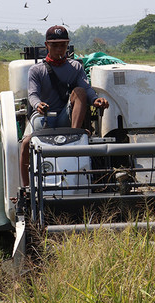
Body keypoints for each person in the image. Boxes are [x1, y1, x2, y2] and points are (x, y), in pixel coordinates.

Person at [19, 25, 108, 185]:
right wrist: (38, 104)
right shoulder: (36, 70)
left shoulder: (75, 67)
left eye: (63, 45)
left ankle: (75, 138)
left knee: (80, 91)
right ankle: (26, 189)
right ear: (47, 46)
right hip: (44, 117)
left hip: (64, 117)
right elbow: (32, 94)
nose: (59, 49)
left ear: (67, 45)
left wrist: (95, 100)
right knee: (26, 144)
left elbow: (86, 89)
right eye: (55, 45)